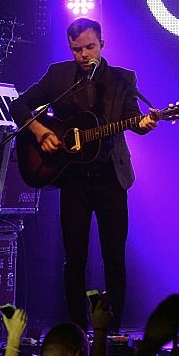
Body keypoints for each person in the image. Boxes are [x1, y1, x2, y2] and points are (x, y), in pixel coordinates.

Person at [10, 18, 157, 332]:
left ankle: (112, 332)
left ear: (102, 44)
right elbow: (19, 105)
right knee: (74, 258)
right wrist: (38, 132)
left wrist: (143, 124)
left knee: (114, 258)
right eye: (77, 49)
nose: (84, 54)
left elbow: (133, 120)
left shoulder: (122, 80)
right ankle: (76, 331)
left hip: (111, 180)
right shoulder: (59, 75)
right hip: (73, 180)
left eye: (90, 46)